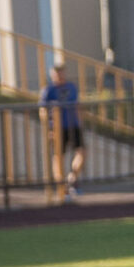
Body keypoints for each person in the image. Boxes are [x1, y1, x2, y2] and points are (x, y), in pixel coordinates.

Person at [40, 59, 85, 201]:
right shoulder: (48, 90)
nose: (59, 75)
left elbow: (77, 105)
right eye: (57, 73)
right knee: (58, 156)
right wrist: (49, 128)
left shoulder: (72, 87)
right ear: (52, 74)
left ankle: (72, 178)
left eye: (61, 72)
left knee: (82, 152)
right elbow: (43, 111)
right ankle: (62, 187)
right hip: (58, 128)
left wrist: (80, 122)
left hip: (73, 125)